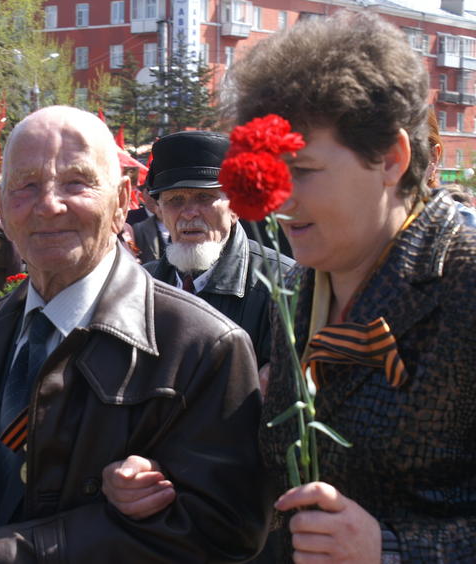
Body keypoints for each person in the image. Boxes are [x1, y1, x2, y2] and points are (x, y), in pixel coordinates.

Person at [105, 11, 476, 562]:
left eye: (301, 169)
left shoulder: (462, 283)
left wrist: (393, 550)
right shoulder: (303, 290)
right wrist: (155, 474)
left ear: (390, 159)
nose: (278, 198)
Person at [0, 106, 268, 563]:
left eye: (76, 182)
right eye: (26, 185)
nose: (48, 204)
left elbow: (226, 531)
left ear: (122, 201)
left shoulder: (203, 346)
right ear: (0, 205)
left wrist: (28, 551)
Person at [143, 131, 293, 368]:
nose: (189, 213)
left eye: (204, 197)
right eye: (175, 200)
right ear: (160, 210)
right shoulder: (142, 284)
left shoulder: (282, 284)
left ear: (235, 208)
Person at [131, 183, 169, 263]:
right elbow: (134, 249)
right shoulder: (139, 227)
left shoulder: (180, 225)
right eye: (158, 205)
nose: (161, 209)